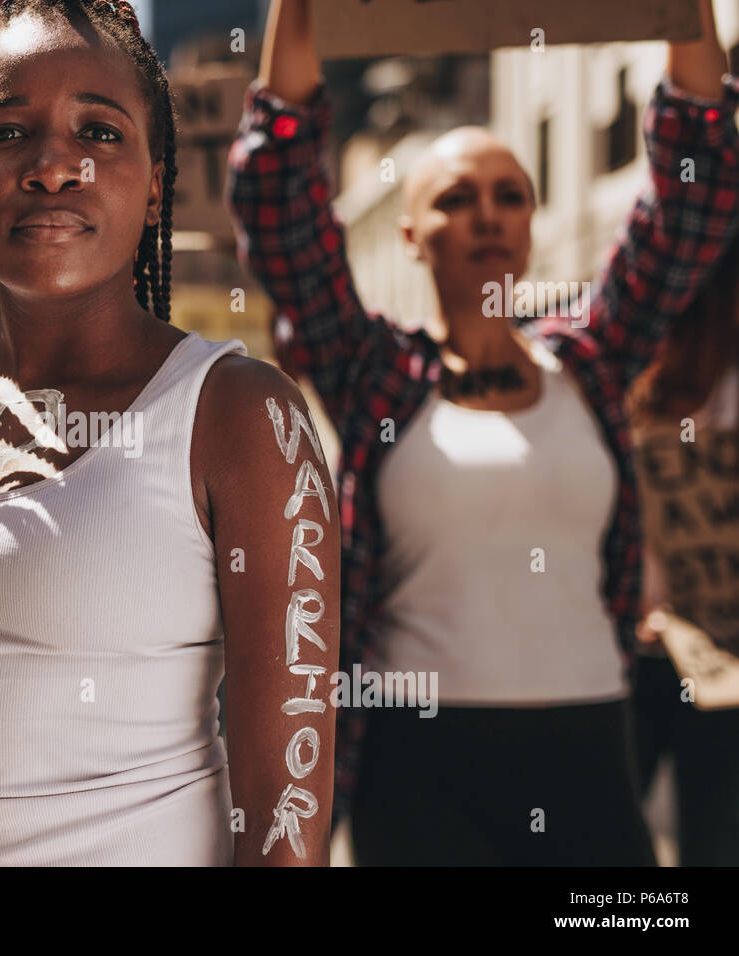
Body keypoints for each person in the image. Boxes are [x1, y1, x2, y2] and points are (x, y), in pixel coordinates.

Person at [0, 0, 341, 867]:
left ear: (157, 176)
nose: (54, 165)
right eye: (7, 132)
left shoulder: (241, 418)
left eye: (99, 129)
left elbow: (284, 813)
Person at [226, 0, 739, 865]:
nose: (488, 214)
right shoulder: (372, 369)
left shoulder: (594, 360)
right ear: (412, 234)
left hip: (592, 748)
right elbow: (281, 209)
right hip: (417, 764)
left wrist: (684, 15)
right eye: (456, 198)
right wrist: (298, 9)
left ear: (533, 227)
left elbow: (693, 196)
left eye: (510, 196)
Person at [627, 234, 739, 866]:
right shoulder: (630, 381)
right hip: (641, 650)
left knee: (716, 838)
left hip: (728, 660)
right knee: (606, 835)